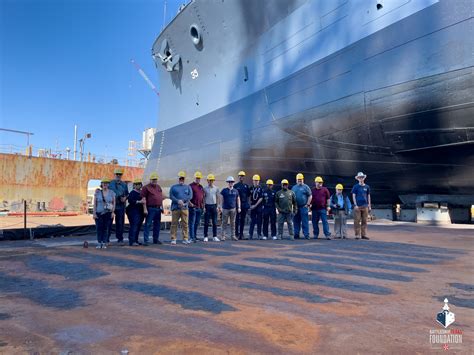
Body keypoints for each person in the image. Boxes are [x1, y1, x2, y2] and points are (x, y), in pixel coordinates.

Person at [170, 171, 193, 245]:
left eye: (183, 178)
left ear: (184, 179)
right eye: (180, 178)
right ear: (178, 179)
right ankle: (173, 239)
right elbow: (171, 196)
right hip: (175, 208)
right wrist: (178, 201)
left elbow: (190, 196)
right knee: (174, 224)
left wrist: (182, 201)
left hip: (184, 208)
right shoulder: (173, 187)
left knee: (185, 224)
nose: (181, 180)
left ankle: (185, 238)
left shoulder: (188, 187)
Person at [141, 172, 163, 245]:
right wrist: (145, 209)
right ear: (150, 180)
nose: (154, 181)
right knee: (148, 224)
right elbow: (143, 199)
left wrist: (162, 207)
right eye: (153, 179)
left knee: (157, 225)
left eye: (155, 179)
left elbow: (161, 197)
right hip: (150, 209)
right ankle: (146, 240)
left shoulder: (158, 187)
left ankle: (155, 240)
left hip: (158, 209)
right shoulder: (145, 187)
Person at [93, 178, 116, 249]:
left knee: (106, 228)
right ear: (101, 184)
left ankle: (104, 242)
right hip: (99, 213)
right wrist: (94, 213)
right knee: (99, 228)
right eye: (104, 183)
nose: (105, 184)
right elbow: (95, 203)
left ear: (108, 184)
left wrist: (113, 212)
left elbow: (114, 203)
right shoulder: (97, 193)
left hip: (108, 213)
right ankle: (99, 242)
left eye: (106, 183)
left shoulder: (112, 192)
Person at [108, 168, 129, 245]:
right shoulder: (110, 183)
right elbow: (104, 190)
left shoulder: (124, 184)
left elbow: (127, 194)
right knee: (108, 222)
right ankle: (107, 239)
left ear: (121, 175)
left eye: (120, 174)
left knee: (120, 223)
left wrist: (125, 198)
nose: (118, 175)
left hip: (121, 206)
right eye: (117, 174)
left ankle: (120, 238)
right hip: (111, 205)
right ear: (114, 175)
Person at [126, 179, 147, 246]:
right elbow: (130, 201)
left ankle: (136, 240)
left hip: (140, 211)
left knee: (138, 226)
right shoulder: (132, 192)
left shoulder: (142, 192)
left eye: (139, 184)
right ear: (134, 185)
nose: (138, 185)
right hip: (133, 211)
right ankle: (132, 241)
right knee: (134, 225)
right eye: (136, 184)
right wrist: (139, 201)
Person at [220, 176, 241, 241]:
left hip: (233, 209)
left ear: (233, 183)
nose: (230, 183)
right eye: (229, 182)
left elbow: (238, 199)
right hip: (225, 209)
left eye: (231, 182)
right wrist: (220, 207)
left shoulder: (236, 191)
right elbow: (221, 199)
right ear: (227, 183)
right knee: (224, 223)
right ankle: (223, 236)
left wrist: (239, 207)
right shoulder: (224, 190)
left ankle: (233, 236)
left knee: (233, 223)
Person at [291, 173, 312, 239]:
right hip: (296, 207)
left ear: (303, 179)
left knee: (305, 221)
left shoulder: (306, 187)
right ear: (296, 180)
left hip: (303, 207)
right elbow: (291, 197)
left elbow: (310, 195)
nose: (299, 181)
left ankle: (306, 234)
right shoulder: (294, 187)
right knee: (296, 221)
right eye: (298, 180)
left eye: (301, 179)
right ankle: (296, 234)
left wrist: (308, 204)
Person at [352, 172, 371, 240]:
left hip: (365, 206)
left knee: (364, 221)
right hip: (358, 206)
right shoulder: (355, 186)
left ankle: (363, 235)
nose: (361, 178)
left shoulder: (367, 187)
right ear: (358, 178)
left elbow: (368, 196)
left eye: (362, 177)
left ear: (364, 178)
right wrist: (355, 205)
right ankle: (357, 235)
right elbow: (353, 196)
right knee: (357, 221)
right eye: (359, 177)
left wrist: (369, 205)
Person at [188, 171, 205, 242]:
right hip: (193, 208)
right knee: (192, 223)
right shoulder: (190, 186)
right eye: (197, 178)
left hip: (199, 208)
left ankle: (194, 236)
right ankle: (191, 237)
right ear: (194, 178)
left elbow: (203, 197)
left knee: (196, 223)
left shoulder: (201, 187)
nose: (198, 179)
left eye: (199, 178)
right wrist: (190, 203)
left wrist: (203, 206)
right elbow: (187, 196)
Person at [203, 174, 220, 242]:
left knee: (215, 222)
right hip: (207, 206)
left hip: (214, 206)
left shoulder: (216, 188)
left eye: (212, 180)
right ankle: (205, 236)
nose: (210, 181)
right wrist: (204, 206)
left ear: (213, 181)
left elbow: (218, 197)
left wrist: (218, 206)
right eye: (209, 180)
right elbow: (203, 198)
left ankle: (214, 236)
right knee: (206, 222)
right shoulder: (205, 188)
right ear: (207, 181)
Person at [234, 171, 251, 239]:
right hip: (237, 205)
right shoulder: (236, 186)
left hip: (244, 205)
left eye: (242, 176)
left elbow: (249, 195)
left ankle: (241, 234)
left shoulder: (246, 186)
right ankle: (236, 234)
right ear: (238, 177)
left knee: (243, 220)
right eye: (240, 176)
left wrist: (248, 203)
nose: (241, 177)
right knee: (237, 220)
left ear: (244, 177)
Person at [249, 174, 264, 240]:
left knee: (259, 221)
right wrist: (250, 205)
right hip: (252, 207)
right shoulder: (251, 188)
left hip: (258, 207)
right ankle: (250, 234)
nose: (256, 182)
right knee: (252, 221)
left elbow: (261, 198)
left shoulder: (260, 189)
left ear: (259, 181)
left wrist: (255, 205)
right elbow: (248, 196)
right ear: (253, 181)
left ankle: (259, 234)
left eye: (257, 180)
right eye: (255, 180)